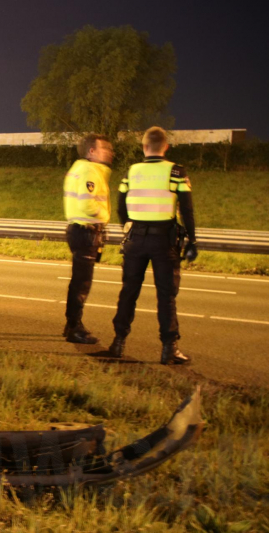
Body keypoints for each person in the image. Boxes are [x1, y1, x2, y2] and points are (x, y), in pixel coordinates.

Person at [109, 126, 198, 364]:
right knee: (166, 295)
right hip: (164, 241)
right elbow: (187, 210)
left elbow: (120, 205)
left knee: (129, 292)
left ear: (144, 147)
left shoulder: (132, 171)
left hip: (135, 239)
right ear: (165, 147)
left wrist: (127, 227)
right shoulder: (176, 171)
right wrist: (192, 239)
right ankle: (169, 348)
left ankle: (118, 343)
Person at [62, 133, 114, 344]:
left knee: (79, 281)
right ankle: (74, 327)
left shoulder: (81, 169)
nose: (109, 152)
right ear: (91, 151)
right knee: (82, 283)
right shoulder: (88, 171)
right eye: (104, 148)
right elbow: (87, 204)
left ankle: (72, 325)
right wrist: (104, 216)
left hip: (81, 231)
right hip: (86, 231)